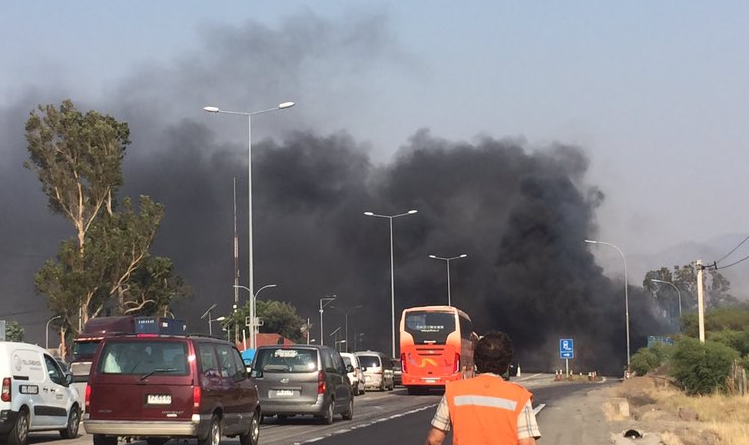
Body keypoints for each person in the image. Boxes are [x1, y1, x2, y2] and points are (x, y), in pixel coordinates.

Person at [424, 331, 540, 445]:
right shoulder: (519, 397)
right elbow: (527, 442)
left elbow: (434, 439)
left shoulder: (454, 392)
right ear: (507, 364)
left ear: (476, 359)